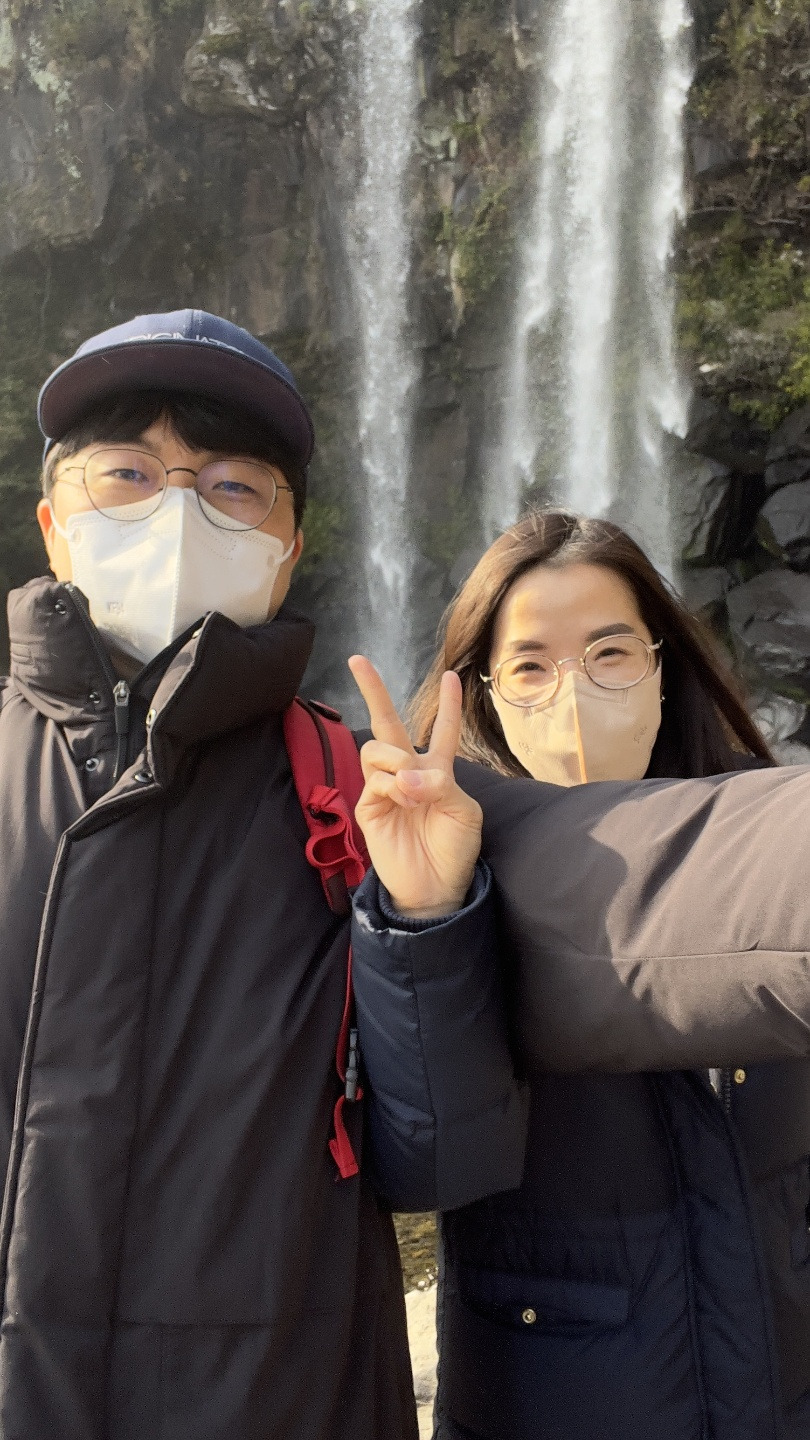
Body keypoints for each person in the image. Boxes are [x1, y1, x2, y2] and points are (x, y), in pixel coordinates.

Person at [0, 308, 529, 1439]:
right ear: (54, 527)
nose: (178, 511)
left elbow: (439, 1159)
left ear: (288, 550)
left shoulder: (356, 793)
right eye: (129, 473)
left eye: (233, 487)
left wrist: (428, 918)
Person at [349, 510, 810, 1440]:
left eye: (610, 653)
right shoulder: (435, 874)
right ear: (484, 695)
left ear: (661, 666)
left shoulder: (757, 845)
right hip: (554, 1403)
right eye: (531, 667)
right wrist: (431, 917)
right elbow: (429, 1163)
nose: (575, 692)